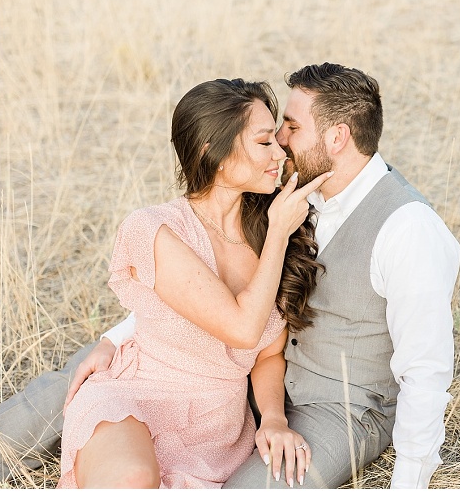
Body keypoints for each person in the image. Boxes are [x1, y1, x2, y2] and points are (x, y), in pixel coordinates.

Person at [0, 63, 460, 489]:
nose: (279, 140)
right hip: (239, 380)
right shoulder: (288, 200)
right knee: (80, 374)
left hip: (332, 406)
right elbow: (192, 288)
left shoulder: (407, 228)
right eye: (272, 133)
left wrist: (410, 480)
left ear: (337, 138)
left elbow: (426, 372)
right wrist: (115, 337)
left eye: (291, 128)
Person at [54, 78, 331, 488]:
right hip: (137, 400)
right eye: (264, 142)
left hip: (217, 435)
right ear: (213, 153)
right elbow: (242, 329)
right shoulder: (155, 229)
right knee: (132, 478)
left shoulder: (270, 226)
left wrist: (272, 418)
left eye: (277, 139)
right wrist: (277, 235)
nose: (280, 152)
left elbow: (268, 352)